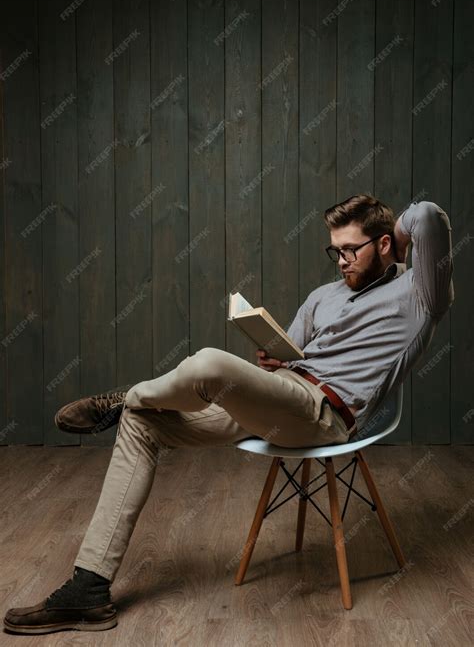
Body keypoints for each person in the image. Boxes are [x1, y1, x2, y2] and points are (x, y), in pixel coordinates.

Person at [3, 194, 454, 635]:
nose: (340, 260)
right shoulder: (324, 295)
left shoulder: (420, 294)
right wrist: (273, 358)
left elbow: (430, 215)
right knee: (142, 425)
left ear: (383, 244)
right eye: (333, 251)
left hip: (322, 415)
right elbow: (290, 354)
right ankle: (90, 588)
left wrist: (400, 234)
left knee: (208, 364)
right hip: (279, 399)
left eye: (350, 249)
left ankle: (126, 397)